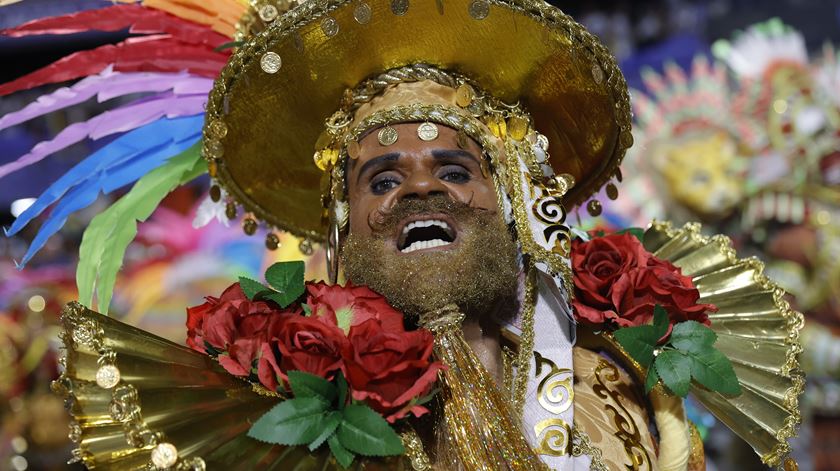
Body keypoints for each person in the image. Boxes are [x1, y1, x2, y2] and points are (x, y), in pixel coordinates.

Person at [1, 0, 802, 469]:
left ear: (517, 200)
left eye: (455, 169)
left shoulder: (620, 387)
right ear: (343, 233)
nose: (420, 186)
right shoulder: (269, 416)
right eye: (381, 180)